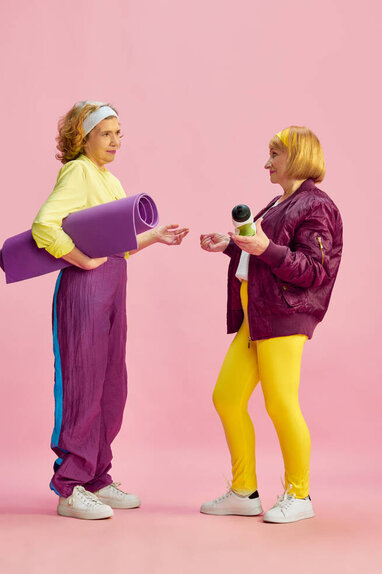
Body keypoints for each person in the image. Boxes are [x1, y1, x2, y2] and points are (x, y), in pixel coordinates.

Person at [32, 101, 189, 520]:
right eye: (106, 133)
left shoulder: (112, 181)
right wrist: (80, 260)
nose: (116, 141)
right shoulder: (78, 171)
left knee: (110, 385)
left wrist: (156, 236)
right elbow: (45, 224)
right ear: (84, 137)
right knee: (83, 382)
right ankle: (70, 487)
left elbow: (117, 246)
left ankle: (97, 478)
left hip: (113, 288)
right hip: (84, 290)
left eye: (119, 133)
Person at [199, 126, 343, 523]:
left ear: (296, 156)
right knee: (227, 398)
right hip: (257, 316)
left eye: (274, 155)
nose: (267, 162)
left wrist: (264, 247)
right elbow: (262, 252)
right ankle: (244, 492)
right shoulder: (282, 202)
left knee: (280, 403)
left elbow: (313, 270)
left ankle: (299, 495)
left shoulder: (315, 206)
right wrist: (230, 245)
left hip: (283, 315)